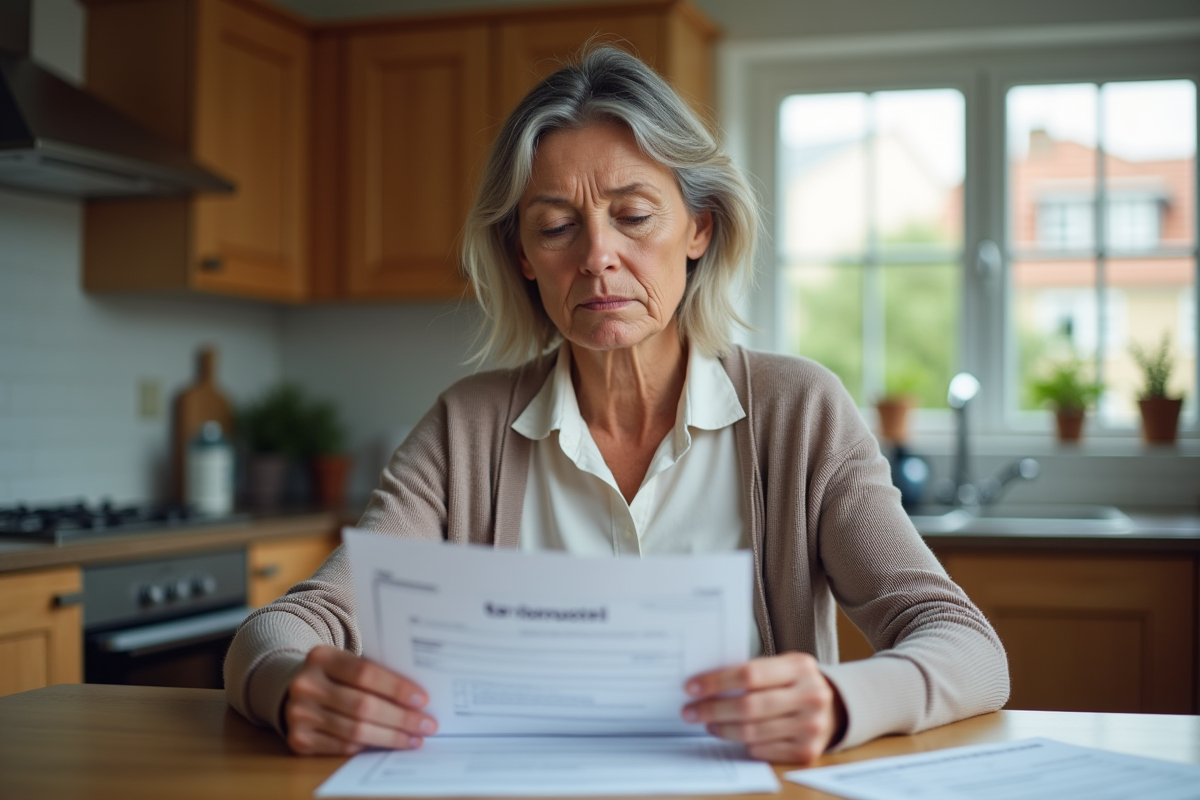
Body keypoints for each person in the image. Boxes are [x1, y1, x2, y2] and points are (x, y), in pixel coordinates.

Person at [224, 46, 1008, 763]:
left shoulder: (797, 411)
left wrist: (839, 701)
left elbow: (966, 646)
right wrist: (293, 686)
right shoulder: (467, 428)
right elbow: (279, 629)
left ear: (699, 227)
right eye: (557, 226)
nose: (598, 256)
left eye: (634, 217)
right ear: (524, 258)